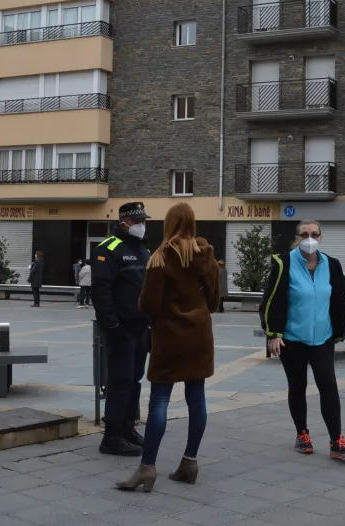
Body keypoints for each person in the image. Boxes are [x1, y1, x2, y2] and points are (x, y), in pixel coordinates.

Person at [116, 203, 220, 492]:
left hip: (169, 337)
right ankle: (189, 462)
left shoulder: (161, 257)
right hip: (199, 336)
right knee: (196, 398)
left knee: (160, 400)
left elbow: (148, 305)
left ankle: (147, 467)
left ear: (170, 224)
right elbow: (213, 303)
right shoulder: (207, 257)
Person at [261, 220, 345, 458]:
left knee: (328, 386)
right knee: (298, 386)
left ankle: (337, 440)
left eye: (314, 234)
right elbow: (272, 300)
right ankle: (302, 434)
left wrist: (338, 331)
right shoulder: (283, 262)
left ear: (321, 237)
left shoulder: (331, 264)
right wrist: (273, 334)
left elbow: (338, 300)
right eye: (304, 234)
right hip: (293, 339)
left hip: (322, 338)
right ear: (297, 237)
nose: (310, 237)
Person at [92, 202, 152, 456]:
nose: (141, 225)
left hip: (141, 328)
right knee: (120, 381)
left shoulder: (142, 249)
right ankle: (112, 436)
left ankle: (128, 427)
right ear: (123, 222)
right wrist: (112, 324)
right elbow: (101, 289)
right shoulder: (108, 248)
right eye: (137, 221)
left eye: (143, 221)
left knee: (134, 380)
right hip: (121, 328)